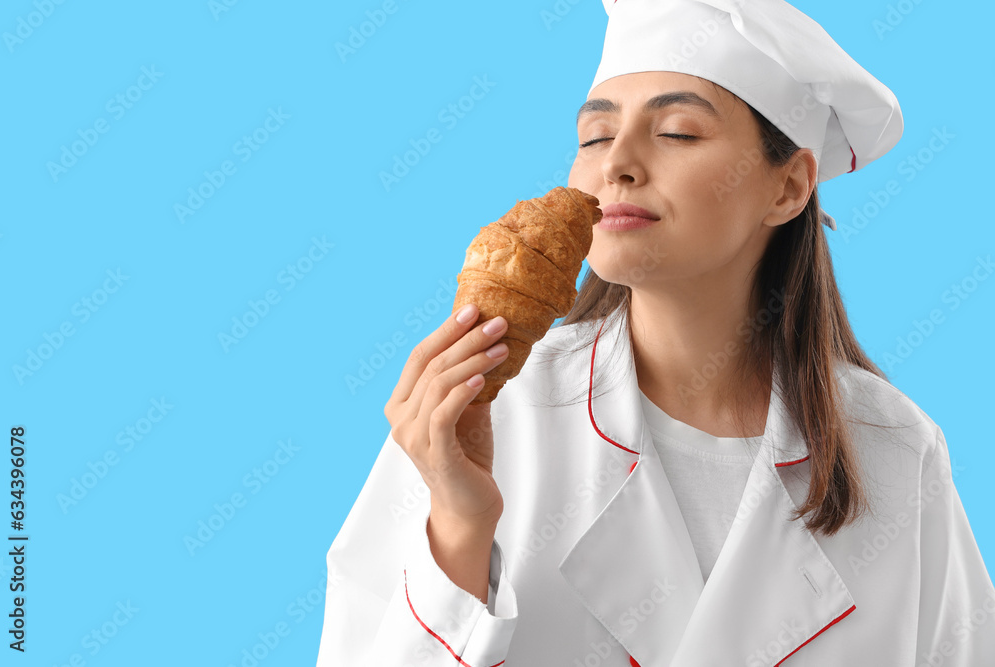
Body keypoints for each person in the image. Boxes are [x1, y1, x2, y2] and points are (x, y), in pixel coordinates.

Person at [317, 1, 995, 665]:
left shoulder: (897, 453)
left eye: (676, 131)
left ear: (788, 188)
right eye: (594, 136)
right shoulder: (479, 417)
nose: (617, 164)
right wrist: (461, 529)